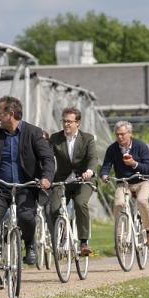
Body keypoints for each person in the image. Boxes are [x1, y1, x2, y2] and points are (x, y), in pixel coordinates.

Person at [0, 96, 55, 291]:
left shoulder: (34, 133)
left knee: (27, 217)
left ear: (10, 114)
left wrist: (46, 178)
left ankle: (29, 243)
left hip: (25, 187)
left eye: (0, 113)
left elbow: (48, 159)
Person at [48, 107, 98, 256]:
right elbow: (48, 158)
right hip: (62, 180)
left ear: (78, 123)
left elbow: (93, 158)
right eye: (64, 121)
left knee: (80, 202)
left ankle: (83, 242)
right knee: (54, 207)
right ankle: (64, 232)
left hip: (84, 179)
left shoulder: (87, 138)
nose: (66, 124)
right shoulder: (55, 138)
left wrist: (89, 171)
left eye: (70, 122)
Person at [100, 121, 149, 246]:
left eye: (123, 134)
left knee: (142, 201)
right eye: (117, 134)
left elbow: (148, 168)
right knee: (119, 203)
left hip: (143, 180)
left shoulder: (141, 146)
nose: (120, 137)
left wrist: (134, 164)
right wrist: (104, 175)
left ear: (130, 134)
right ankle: (120, 237)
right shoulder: (112, 149)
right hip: (124, 182)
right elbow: (106, 165)